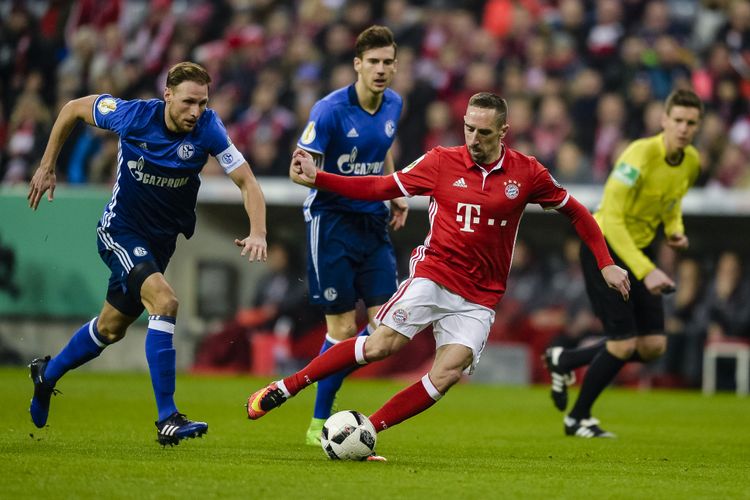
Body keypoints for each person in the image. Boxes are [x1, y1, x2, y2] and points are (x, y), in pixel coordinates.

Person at [245, 92, 630, 459]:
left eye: (483, 132)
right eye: (468, 129)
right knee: (380, 346)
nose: (474, 138)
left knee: (447, 374)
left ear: (503, 132)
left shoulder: (527, 173)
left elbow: (578, 211)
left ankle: (369, 431)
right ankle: (286, 387)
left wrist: (605, 262)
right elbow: (380, 185)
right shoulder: (441, 161)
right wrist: (321, 178)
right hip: (434, 276)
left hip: (480, 297)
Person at [26, 62, 268, 446]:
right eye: (189, 102)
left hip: (159, 242)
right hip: (120, 231)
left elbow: (247, 182)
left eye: (203, 103)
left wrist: (258, 231)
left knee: (110, 328)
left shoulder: (209, 128)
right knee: (166, 301)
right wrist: (47, 165)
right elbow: (72, 107)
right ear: (167, 94)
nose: (196, 112)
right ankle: (167, 417)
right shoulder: (132, 115)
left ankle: (47, 374)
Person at [543, 88, 703, 438]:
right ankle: (578, 418)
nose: (684, 128)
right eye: (677, 120)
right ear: (663, 120)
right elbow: (611, 219)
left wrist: (675, 230)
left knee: (652, 346)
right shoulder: (638, 155)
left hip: (638, 254)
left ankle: (565, 360)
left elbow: (671, 203)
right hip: (604, 249)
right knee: (622, 344)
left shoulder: (691, 161)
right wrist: (647, 271)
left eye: (691, 122)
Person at [295, 25, 408, 446]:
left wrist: (394, 189)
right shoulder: (329, 111)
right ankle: (318, 420)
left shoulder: (395, 103)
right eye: (373, 62)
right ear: (357, 64)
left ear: (395, 67)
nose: (380, 70)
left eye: (387, 62)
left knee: (387, 330)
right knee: (342, 328)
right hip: (332, 225)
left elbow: (384, 148)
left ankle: (324, 376)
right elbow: (298, 169)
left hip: (373, 224)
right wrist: (330, 180)